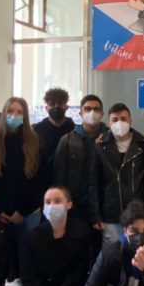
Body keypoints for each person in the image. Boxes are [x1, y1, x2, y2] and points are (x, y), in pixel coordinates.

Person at [0, 97, 42, 282]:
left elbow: (40, 181)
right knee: (0, 258)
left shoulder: (35, 142)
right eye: (10, 111)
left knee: (28, 257)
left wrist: (23, 211)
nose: (14, 115)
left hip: (28, 212)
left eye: (19, 112)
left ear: (25, 116)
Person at [89, 103, 144, 245]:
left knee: (138, 254)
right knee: (113, 255)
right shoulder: (100, 146)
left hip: (138, 214)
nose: (119, 123)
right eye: (115, 120)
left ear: (130, 121)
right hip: (111, 214)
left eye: (123, 119)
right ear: (109, 123)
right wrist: (95, 214)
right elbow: (93, 182)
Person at [54, 94, 107, 224]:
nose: (92, 112)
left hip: (104, 206)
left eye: (96, 109)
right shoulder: (68, 140)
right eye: (87, 109)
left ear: (102, 114)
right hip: (75, 206)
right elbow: (59, 176)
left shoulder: (110, 138)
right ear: (80, 113)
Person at [32, 87, 75, 195]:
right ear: (46, 107)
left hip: (69, 186)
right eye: (52, 104)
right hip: (40, 186)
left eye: (60, 104)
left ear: (66, 107)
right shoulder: (35, 131)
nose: (56, 107)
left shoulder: (75, 131)